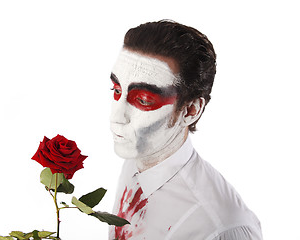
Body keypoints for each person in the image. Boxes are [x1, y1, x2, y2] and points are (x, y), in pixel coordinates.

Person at [108, 20, 262, 240]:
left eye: (142, 99)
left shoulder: (222, 227)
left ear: (190, 111)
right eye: (116, 89)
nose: (116, 118)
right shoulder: (136, 159)